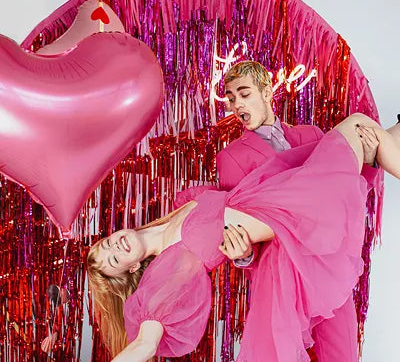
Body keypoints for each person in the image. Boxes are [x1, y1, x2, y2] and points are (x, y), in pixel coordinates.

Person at [87, 111, 400, 362]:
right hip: (294, 219)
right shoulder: (166, 271)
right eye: (113, 260)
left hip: (287, 191)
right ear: (131, 269)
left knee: (366, 138)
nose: (115, 247)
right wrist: (245, 256)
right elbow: (145, 343)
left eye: (105, 244)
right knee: (357, 125)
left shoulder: (178, 208)